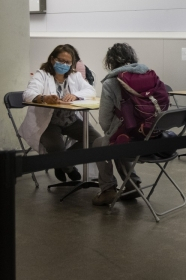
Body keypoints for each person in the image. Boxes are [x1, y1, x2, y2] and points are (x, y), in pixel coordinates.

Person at [19, 44, 100, 182]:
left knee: (95, 139)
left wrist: (76, 94)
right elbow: (28, 94)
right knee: (56, 147)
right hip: (48, 122)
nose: (64, 64)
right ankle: (67, 167)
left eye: (67, 62)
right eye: (60, 60)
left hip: (70, 120)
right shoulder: (42, 75)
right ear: (52, 59)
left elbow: (91, 91)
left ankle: (60, 163)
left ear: (72, 64)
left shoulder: (75, 76)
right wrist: (44, 98)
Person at [91, 43, 148, 206]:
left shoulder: (111, 83)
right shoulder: (148, 75)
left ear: (110, 63)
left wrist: (111, 132)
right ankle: (132, 185)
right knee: (117, 139)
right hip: (154, 139)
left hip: (131, 141)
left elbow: (104, 121)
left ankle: (108, 189)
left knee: (101, 142)